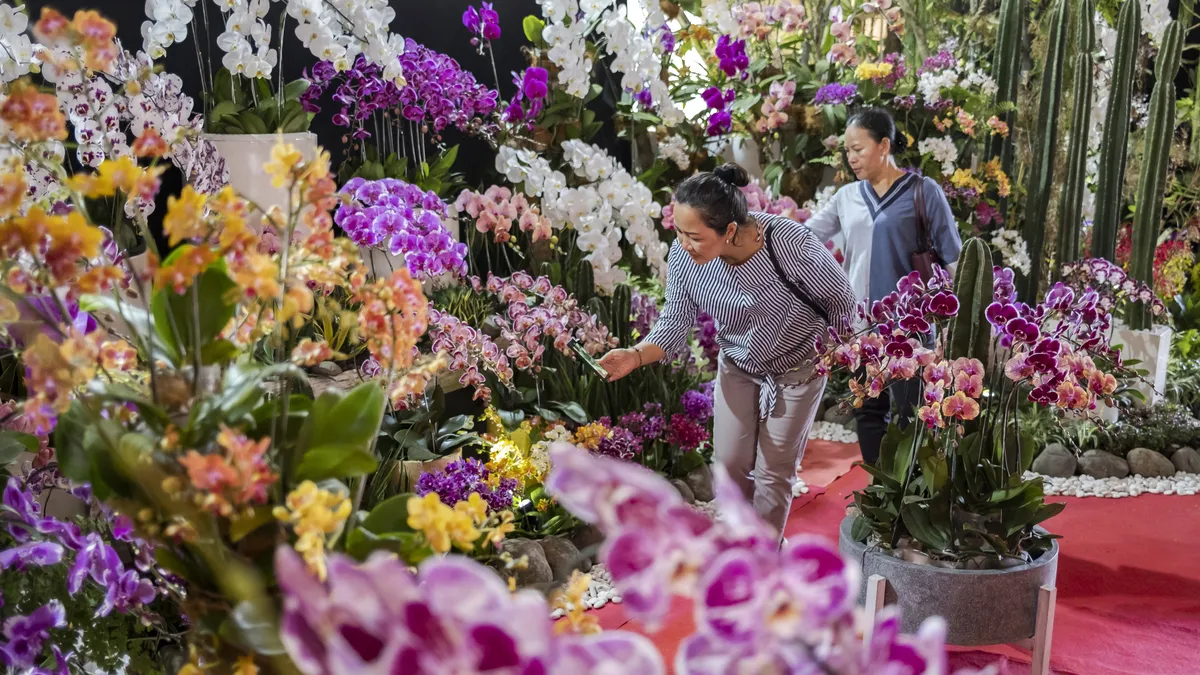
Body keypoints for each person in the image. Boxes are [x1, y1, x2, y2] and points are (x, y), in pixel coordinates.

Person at [599, 163, 857, 539]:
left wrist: (837, 353)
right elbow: (675, 320)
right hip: (738, 365)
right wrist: (635, 356)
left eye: (695, 236)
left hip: (799, 367)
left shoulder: (789, 243)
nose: (684, 244)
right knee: (729, 464)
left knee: (774, 472)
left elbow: (841, 300)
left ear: (730, 230)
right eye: (679, 233)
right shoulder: (686, 258)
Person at [805, 106, 963, 464]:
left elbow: (954, 260)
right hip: (860, 327)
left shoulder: (924, 192)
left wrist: (966, 317)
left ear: (884, 145)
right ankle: (879, 493)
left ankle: (913, 498)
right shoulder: (846, 198)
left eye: (857, 149)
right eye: (847, 151)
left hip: (911, 330)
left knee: (913, 415)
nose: (851, 158)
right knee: (869, 413)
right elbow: (804, 236)